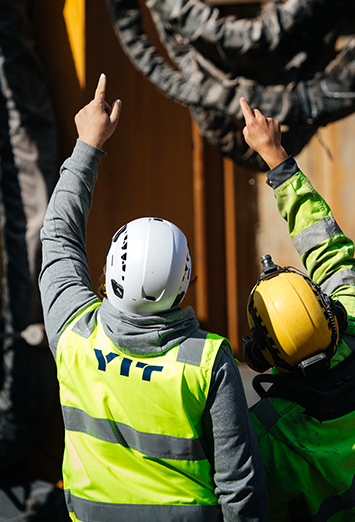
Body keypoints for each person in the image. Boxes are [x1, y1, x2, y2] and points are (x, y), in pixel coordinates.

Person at [39, 74, 268, 522]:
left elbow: (58, 236)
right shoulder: (205, 363)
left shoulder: (73, 336)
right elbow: (239, 487)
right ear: (186, 286)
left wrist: (87, 145)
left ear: (106, 272)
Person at [239, 97, 355, 521]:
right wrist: (276, 157)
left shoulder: (268, 430)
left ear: (264, 356)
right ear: (330, 312)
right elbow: (329, 249)